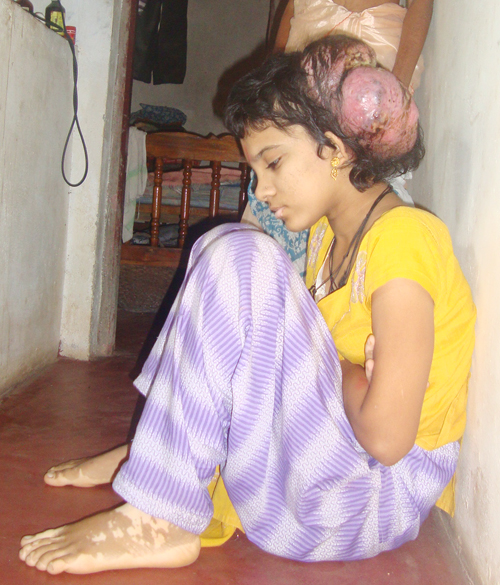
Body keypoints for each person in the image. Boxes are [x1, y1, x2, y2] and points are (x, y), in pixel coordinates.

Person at [19, 35, 475, 575]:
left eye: (273, 163)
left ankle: (159, 515)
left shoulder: (405, 239)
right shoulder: (328, 239)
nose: (262, 190)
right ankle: (159, 453)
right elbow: (281, 374)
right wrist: (345, 374)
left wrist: (346, 372)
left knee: (240, 256)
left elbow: (387, 439)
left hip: (364, 504)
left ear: (336, 148)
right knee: (229, 253)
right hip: (315, 482)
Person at [242, 0, 434, 278]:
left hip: (367, 131)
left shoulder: (395, 236)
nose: (261, 189)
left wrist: (394, 94)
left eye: (271, 163)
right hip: (300, 121)